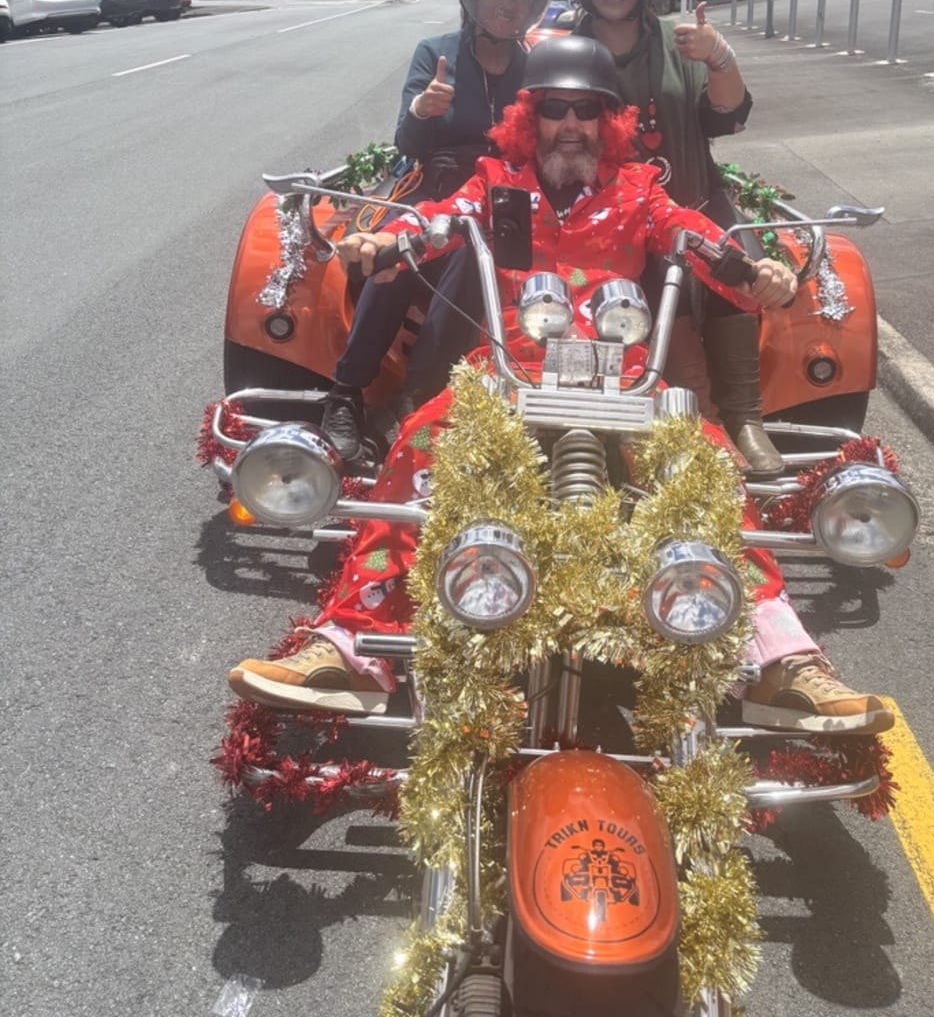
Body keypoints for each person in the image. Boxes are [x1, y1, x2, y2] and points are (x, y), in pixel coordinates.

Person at [229, 36, 894, 738]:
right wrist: (385, 242)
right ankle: (347, 648)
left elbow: (697, 237)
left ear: (609, 122)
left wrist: (756, 273)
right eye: (555, 109)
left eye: (587, 110)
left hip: (629, 381)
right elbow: (436, 220)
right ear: (531, 117)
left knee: (706, 465)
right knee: (420, 443)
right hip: (507, 374)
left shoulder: (639, 191)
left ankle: (782, 662)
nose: (571, 124)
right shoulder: (496, 183)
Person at [321, 0, 555, 467]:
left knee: (476, 256)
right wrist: (423, 110)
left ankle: (420, 392)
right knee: (397, 254)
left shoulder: (535, 67)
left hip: (504, 194)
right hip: (436, 183)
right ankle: (346, 392)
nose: (509, 5)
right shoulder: (435, 53)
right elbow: (407, 143)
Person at [569, 0, 785, 476]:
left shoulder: (681, 41)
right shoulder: (568, 49)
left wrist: (720, 58)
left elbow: (727, 117)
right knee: (652, 288)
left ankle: (745, 417)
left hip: (695, 200)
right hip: (614, 218)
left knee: (736, 263)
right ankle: (703, 423)